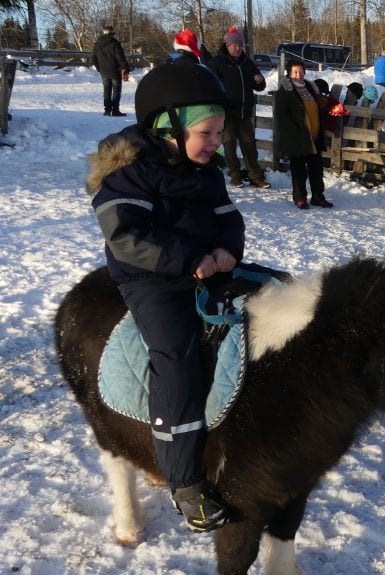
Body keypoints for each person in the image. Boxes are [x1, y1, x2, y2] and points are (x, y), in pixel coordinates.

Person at [87, 62, 244, 533]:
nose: (217, 141)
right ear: (168, 127)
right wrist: (189, 258)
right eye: (207, 132)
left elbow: (230, 220)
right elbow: (125, 237)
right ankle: (184, 479)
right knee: (176, 356)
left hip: (202, 267)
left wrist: (224, 251)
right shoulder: (131, 175)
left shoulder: (207, 172)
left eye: (220, 132)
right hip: (151, 279)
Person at [209, 26, 270, 189]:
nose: (238, 48)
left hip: (244, 113)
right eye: (235, 44)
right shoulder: (217, 63)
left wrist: (259, 80)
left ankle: (255, 176)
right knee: (229, 145)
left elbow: (260, 86)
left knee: (249, 145)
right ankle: (235, 176)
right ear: (228, 45)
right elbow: (210, 85)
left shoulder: (247, 62)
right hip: (226, 113)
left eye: (240, 45)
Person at [275, 59, 334, 209]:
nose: (298, 74)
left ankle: (318, 196)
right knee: (299, 170)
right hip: (298, 138)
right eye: (295, 71)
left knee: (316, 169)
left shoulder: (310, 88)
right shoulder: (285, 91)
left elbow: (317, 108)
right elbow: (283, 116)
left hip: (314, 136)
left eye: (300, 71)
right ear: (289, 73)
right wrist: (298, 133)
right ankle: (300, 198)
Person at [91, 24, 131, 117]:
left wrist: (99, 68)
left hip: (104, 71)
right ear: (112, 33)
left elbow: (93, 58)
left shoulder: (97, 44)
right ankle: (115, 110)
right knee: (116, 90)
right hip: (115, 70)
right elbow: (120, 58)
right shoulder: (115, 43)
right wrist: (126, 67)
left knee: (106, 90)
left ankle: (107, 110)